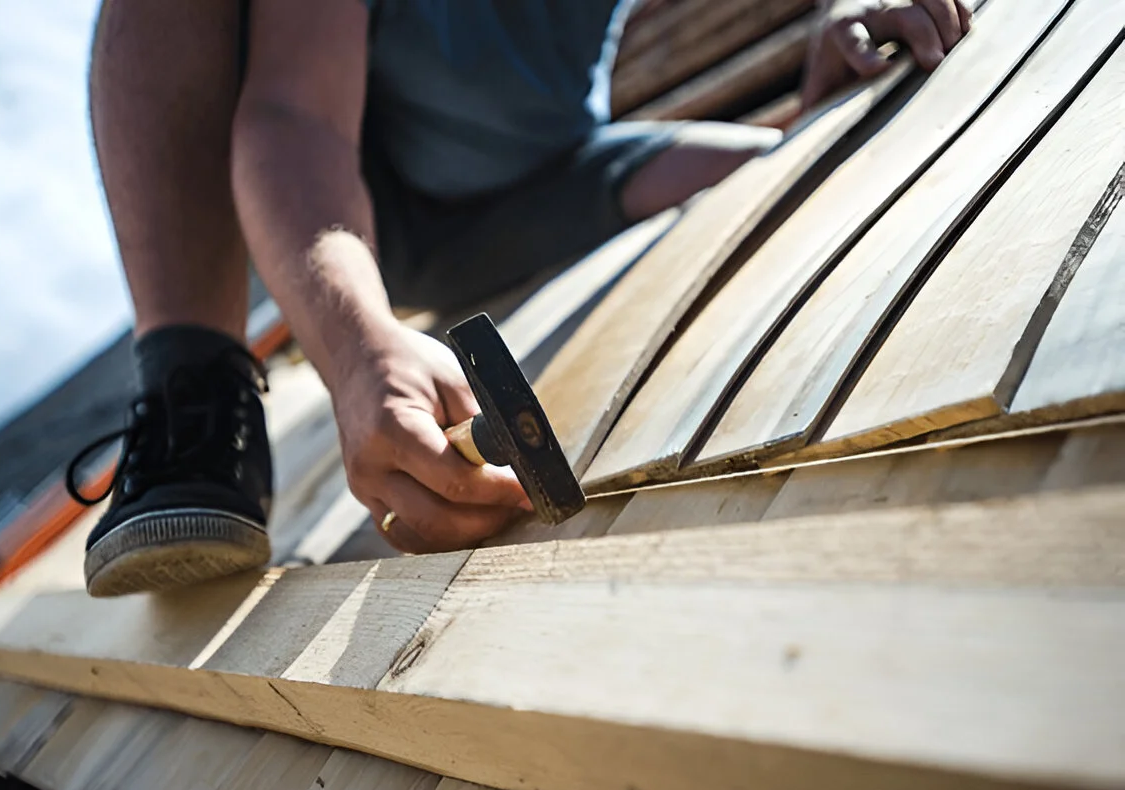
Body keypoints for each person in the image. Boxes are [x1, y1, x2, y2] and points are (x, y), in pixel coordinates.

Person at [68, 0, 971, 597]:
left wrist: (842, 31)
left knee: (784, 169)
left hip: (546, 177)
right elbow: (296, 121)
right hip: (335, 205)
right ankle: (193, 381)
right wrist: (355, 344)